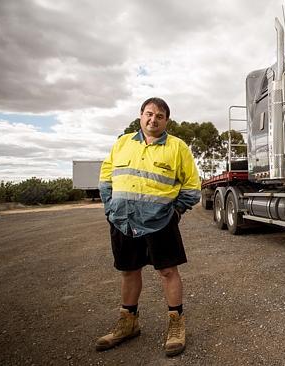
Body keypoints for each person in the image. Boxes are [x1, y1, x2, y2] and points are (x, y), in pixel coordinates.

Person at [96, 97, 201, 357]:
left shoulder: (178, 147)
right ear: (141, 115)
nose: (153, 119)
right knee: (129, 271)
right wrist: (111, 209)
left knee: (167, 271)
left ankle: (176, 325)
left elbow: (191, 187)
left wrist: (174, 213)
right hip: (123, 220)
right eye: (149, 114)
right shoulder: (122, 143)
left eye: (160, 116)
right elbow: (106, 177)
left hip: (160, 222)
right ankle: (128, 323)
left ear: (166, 121)